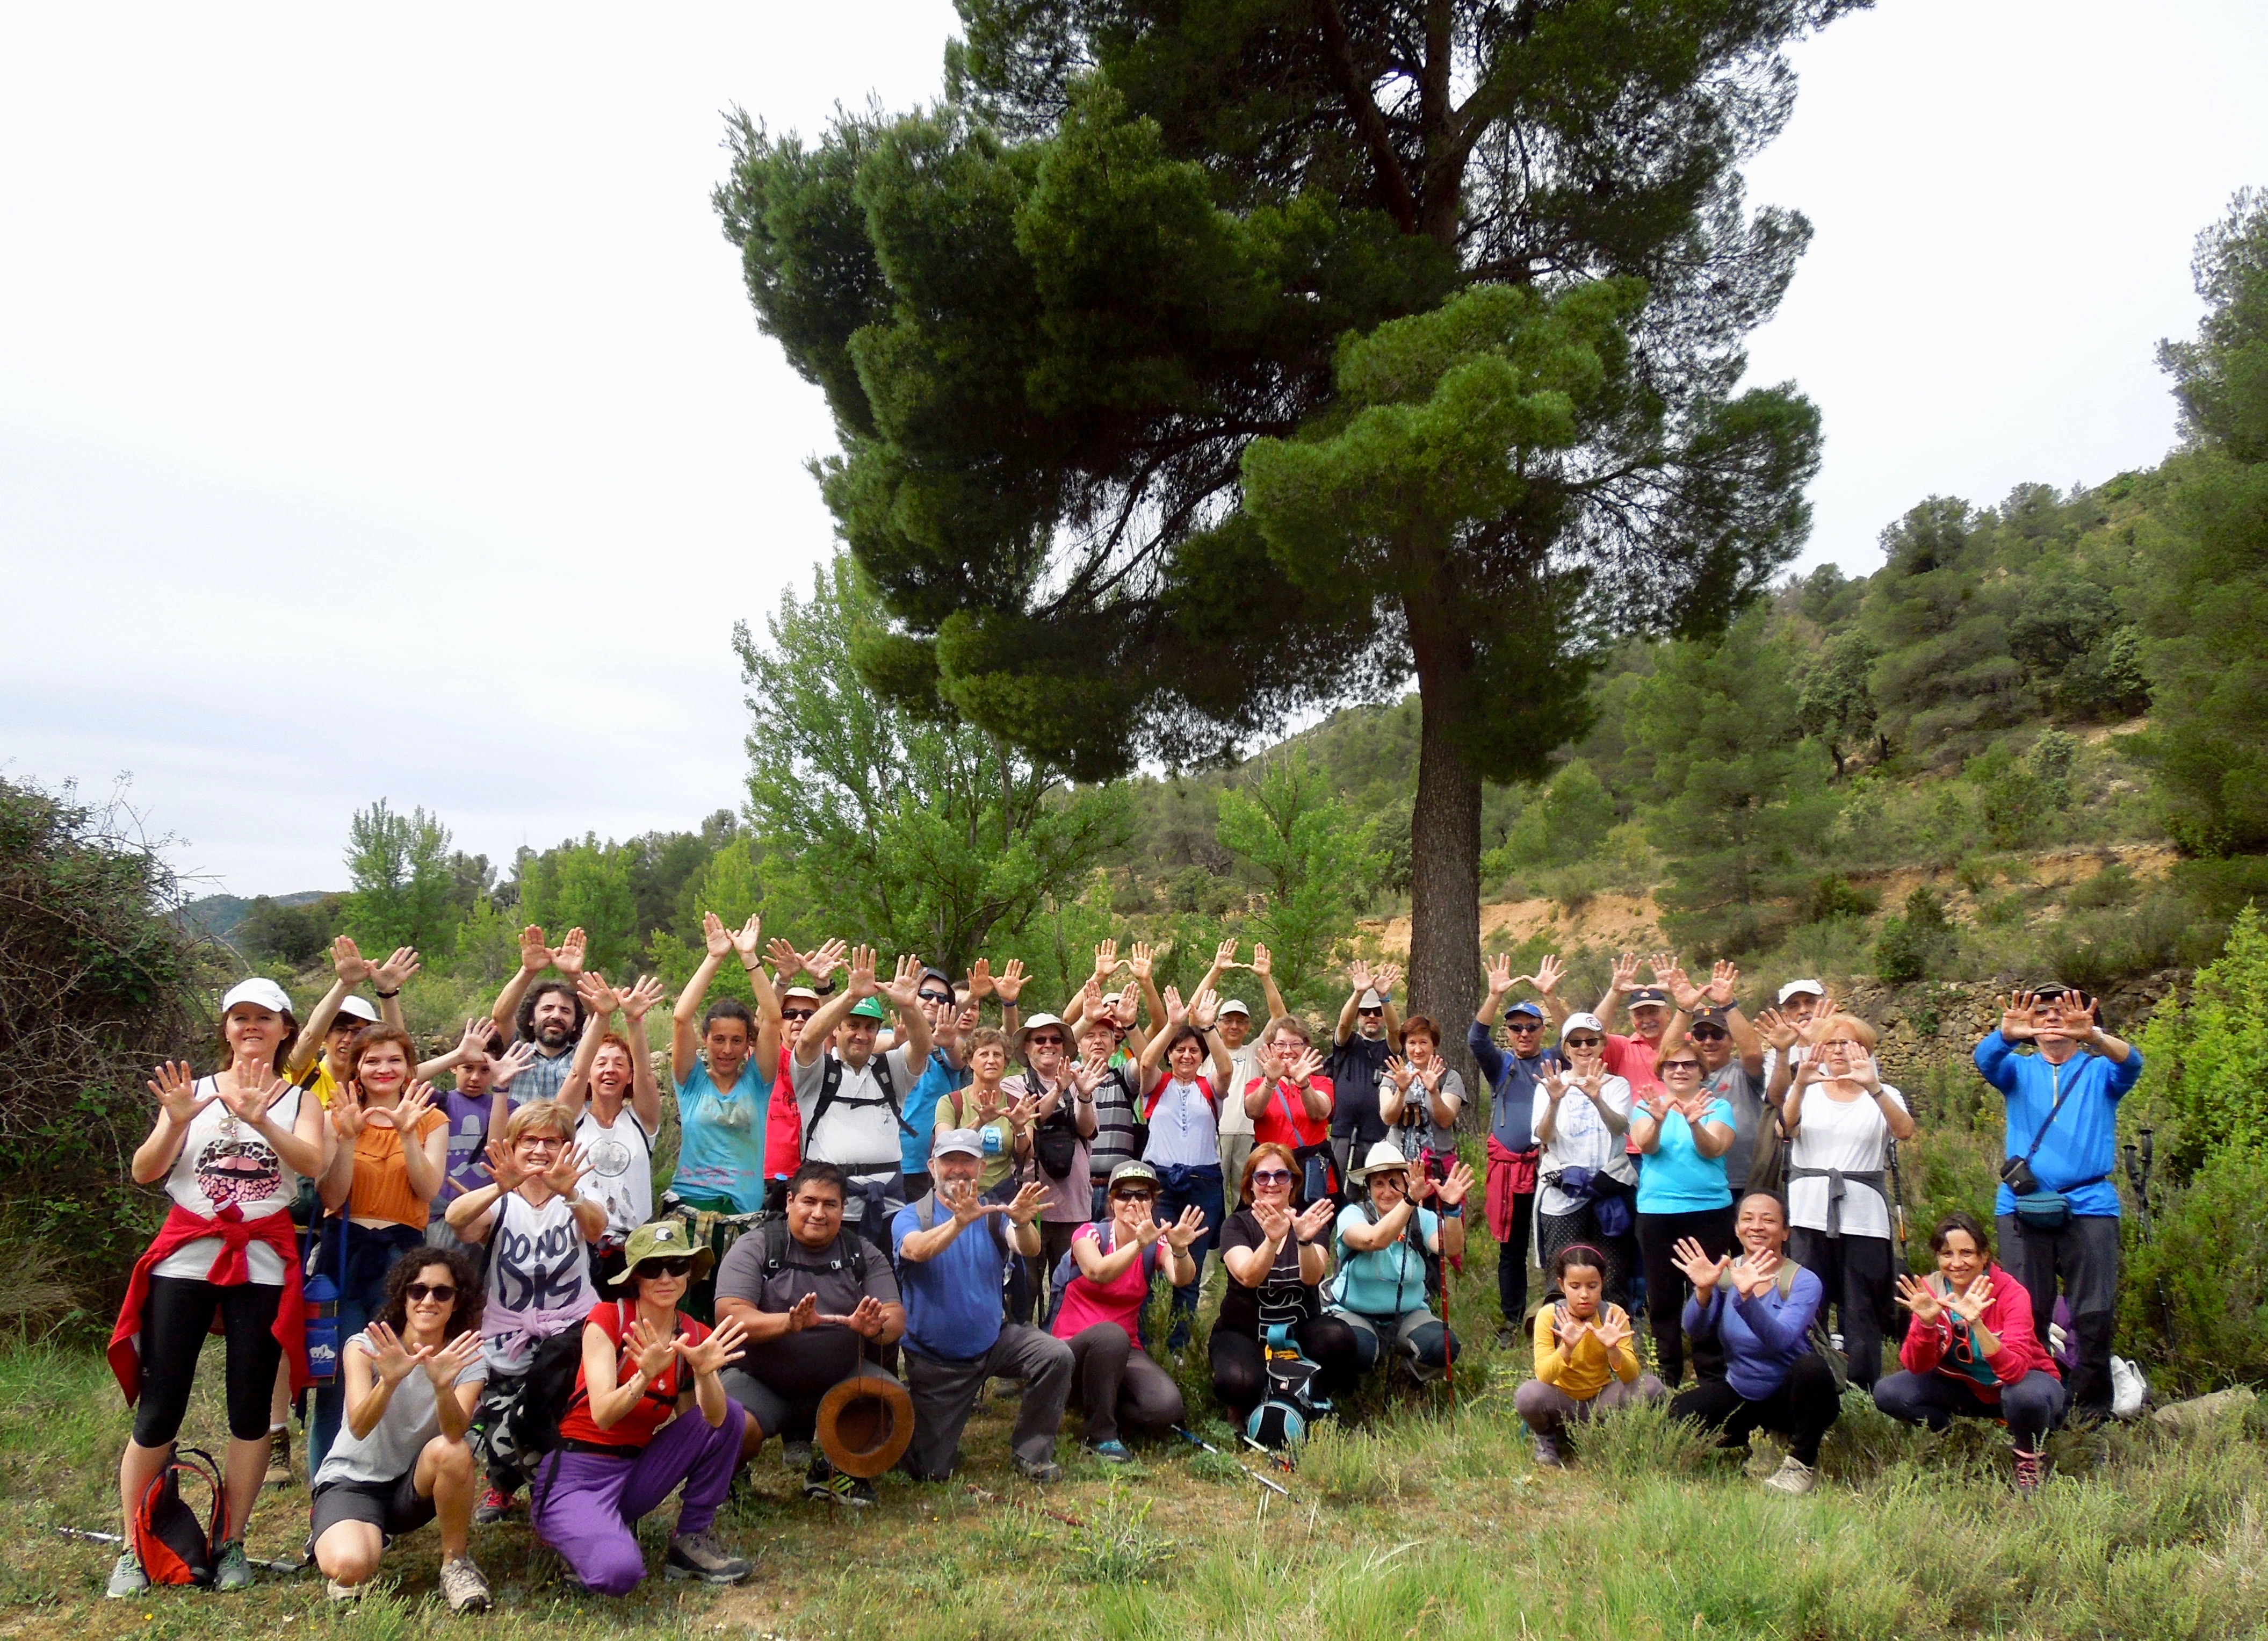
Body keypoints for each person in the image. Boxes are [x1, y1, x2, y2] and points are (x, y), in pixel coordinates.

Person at [107, 978, 329, 1597]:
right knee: (159, 1408)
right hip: (187, 1259)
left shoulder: (300, 1099)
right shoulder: (193, 1093)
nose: (251, 1027)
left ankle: (232, 1541)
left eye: (264, 1017)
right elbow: (146, 1171)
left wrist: (264, 1121)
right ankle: (133, 1547)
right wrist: (175, 1122)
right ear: (225, 1029)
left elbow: (314, 1166)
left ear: (286, 1028)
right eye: (239, 1018)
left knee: (251, 1409)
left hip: (259, 1262)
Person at [532, 1220, 755, 1591]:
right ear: (636, 1278)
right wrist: (643, 1377)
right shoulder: (608, 1319)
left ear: (688, 1274)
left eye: (676, 1266)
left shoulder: (693, 1335)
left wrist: (704, 1374)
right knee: (618, 1574)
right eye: (652, 1269)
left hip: (634, 1472)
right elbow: (602, 1414)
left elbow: (711, 1423)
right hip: (577, 1474)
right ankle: (573, 1533)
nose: (665, 1278)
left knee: (731, 1411)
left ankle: (692, 1539)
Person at [1975, 986, 2141, 1422]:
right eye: (2042, 1012)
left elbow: (2133, 1063)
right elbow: (1985, 1061)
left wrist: (2097, 1038)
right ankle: (2036, 1404)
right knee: (2025, 1311)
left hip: (2090, 1204)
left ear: (2085, 1018)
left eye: (2062, 1012)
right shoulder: (2016, 1070)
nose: (2051, 1019)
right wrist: (2008, 1034)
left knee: (2093, 1312)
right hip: (2022, 1203)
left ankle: (2090, 1414)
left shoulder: (2101, 1071)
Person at [444, 1100, 603, 1525]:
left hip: (572, 1330)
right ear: (512, 1147)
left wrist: (570, 1192)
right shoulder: (501, 1202)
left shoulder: (577, 1191)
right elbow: (458, 1220)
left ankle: (563, 1489)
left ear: (567, 1147)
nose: (539, 1150)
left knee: (561, 1416)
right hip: (508, 1333)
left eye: (551, 1141)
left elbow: (597, 1228)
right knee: (504, 1422)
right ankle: (502, 1485)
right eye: (529, 1140)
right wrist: (500, 1187)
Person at [714, 1161, 906, 1506]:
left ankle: (831, 1472)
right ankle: (732, 1471)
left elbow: (894, 1317)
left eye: (830, 1204)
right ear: (789, 1201)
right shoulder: (756, 1247)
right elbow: (730, 1317)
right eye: (809, 1202)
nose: (818, 1213)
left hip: (841, 1379)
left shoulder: (862, 1252)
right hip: (763, 1380)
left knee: (894, 1407)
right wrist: (788, 1324)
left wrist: (876, 1328)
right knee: (732, 1427)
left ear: (843, 1208)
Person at [308, 1249, 490, 1610]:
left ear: (457, 1302)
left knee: (453, 1451)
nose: (428, 1300)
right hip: (353, 1481)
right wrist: (388, 1381)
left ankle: (456, 1565)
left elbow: (455, 1434)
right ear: (402, 1296)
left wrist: (442, 1387)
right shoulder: (365, 1348)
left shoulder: (465, 1359)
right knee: (351, 1567)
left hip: (413, 1485)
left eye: (442, 1292)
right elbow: (359, 1427)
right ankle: (334, 1528)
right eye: (417, 1290)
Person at [890, 1129, 1069, 1482]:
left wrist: (1020, 1220)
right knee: (930, 1472)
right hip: (937, 1360)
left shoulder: (992, 1214)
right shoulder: (911, 1216)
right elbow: (916, 1250)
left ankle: (1032, 1454)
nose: (958, 1169)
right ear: (932, 1167)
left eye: (967, 1161)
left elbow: (1028, 1248)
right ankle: (919, 1406)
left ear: (982, 1166)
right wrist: (959, 1221)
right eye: (949, 1161)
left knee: (1055, 1355)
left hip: (994, 1342)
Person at [309, 1025, 449, 1478]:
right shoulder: (338, 1116)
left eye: (394, 1060)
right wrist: (347, 1137)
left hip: (402, 1257)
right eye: (372, 1061)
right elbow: (331, 1197)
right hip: (344, 1252)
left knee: (396, 1372)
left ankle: (383, 1482)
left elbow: (428, 1189)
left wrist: (408, 1134)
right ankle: (326, 1488)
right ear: (357, 1068)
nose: (383, 1069)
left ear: (409, 1067)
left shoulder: (431, 1119)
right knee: (335, 1382)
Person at [1874, 1212, 2064, 1493]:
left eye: (1967, 1253)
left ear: (1985, 1256)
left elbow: (2014, 1372)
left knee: (2024, 1396)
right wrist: (1926, 1325)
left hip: (2023, 1386)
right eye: (1947, 1254)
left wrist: (1977, 1323)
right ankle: (1956, 1439)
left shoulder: (2012, 1293)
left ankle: (2028, 1462)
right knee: (1889, 1392)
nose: (1957, 1263)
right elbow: (1916, 1365)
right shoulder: (1931, 1289)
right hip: (1967, 1388)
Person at [1669, 1192, 1839, 1495]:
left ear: (1786, 1232)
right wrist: (1704, 1290)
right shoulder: (1725, 1273)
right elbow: (1693, 1329)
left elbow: (1782, 1340)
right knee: (1676, 1415)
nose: (1757, 1226)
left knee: (1811, 1368)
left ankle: (1800, 1462)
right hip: (1743, 1392)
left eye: (1769, 1220)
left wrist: (1747, 1299)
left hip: (1794, 1399)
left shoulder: (1803, 1281)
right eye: (1748, 1219)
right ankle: (1762, 1440)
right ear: (1736, 1229)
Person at [1780, 1014, 1913, 1389]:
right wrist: (1800, 1088)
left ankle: (1864, 1388)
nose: (1839, 1051)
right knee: (1809, 1304)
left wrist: (1873, 1088)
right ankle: (1815, 1383)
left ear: (1866, 1051)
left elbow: (1904, 1131)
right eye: (1832, 1043)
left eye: (1849, 1043)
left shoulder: (1883, 1093)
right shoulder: (1807, 1088)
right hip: (1808, 1215)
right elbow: (1784, 1130)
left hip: (1865, 1218)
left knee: (1862, 1308)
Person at [1047, 1161, 1198, 1460]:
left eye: (1142, 1196)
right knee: (1111, 1335)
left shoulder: (1158, 1243)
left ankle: (1099, 1402)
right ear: (1111, 1201)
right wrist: (1139, 1245)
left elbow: (1182, 1277)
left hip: (1125, 1352)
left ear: (1153, 1202)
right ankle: (1100, 1435)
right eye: (1125, 1195)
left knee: (1166, 1407)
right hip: (1070, 1351)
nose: (1133, 1203)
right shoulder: (1091, 1234)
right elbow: (1097, 1272)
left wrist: (1180, 1251)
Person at [1208, 1143, 1359, 1428]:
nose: (1272, 1183)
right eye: (1262, 1177)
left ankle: (1312, 1397)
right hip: (1244, 1332)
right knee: (1237, 1381)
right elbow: (1248, 1276)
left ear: (1294, 1183)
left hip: (1299, 1331)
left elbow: (1312, 1277)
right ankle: (1257, 1398)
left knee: (1341, 1340)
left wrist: (1303, 1241)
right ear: (1250, 1186)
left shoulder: (1310, 1222)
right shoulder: (1236, 1225)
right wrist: (1272, 1241)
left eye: (1282, 1175)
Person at [793, 947, 934, 1249]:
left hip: (888, 1207)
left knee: (884, 1289)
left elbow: (923, 1047)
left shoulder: (891, 1070)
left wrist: (910, 1007)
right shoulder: (816, 1072)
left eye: (870, 1027)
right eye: (853, 1025)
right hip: (828, 1208)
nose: (862, 1035)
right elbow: (807, 1039)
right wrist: (850, 996)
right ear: (838, 1028)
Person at [668, 916, 774, 1268]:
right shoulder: (691, 1081)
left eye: (737, 1041)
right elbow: (681, 1017)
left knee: (733, 1309)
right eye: (718, 1040)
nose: (727, 1049)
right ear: (706, 1041)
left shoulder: (758, 1083)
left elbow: (773, 1019)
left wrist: (749, 958)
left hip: (744, 1214)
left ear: (749, 1044)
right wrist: (713, 958)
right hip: (688, 1208)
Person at [1629, 1040, 1736, 1388]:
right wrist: (1659, 1119)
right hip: (1658, 1213)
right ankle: (1668, 1375)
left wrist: (1694, 1124)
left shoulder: (1718, 1107)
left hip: (1708, 1213)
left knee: (1710, 1293)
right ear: (1661, 1071)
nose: (1680, 1070)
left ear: (1702, 1071)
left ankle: (1712, 1374)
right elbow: (1646, 1145)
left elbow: (1714, 1148)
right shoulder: (1645, 1107)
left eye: (1689, 1065)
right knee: (1663, 1297)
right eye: (1672, 1065)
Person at [1136, 985, 1234, 1350]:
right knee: (1148, 1260)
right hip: (1158, 1183)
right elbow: (1146, 1062)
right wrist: (1173, 1025)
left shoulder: (1211, 1088)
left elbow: (1226, 1068)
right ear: (1171, 1054)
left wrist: (1208, 1029)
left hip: (1202, 1183)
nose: (1187, 1055)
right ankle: (1141, 1342)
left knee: (1189, 1267)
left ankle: (1178, 1347)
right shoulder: (1155, 1084)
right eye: (1180, 1049)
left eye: (1194, 1050)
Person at [1471, 954, 1562, 1343]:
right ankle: (1512, 1320)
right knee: (1511, 1250)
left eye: (1531, 1027)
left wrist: (1551, 996)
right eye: (1516, 1027)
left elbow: (1583, 1034)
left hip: (1548, 1170)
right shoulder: (1501, 1065)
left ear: (1543, 1030)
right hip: (1509, 1172)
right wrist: (1493, 995)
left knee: (1552, 1245)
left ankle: (1554, 1314)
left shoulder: (1556, 1061)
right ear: (1507, 1031)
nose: (1524, 1033)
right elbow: (1476, 1038)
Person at [1326, 1141, 1471, 1383]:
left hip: (1409, 1312)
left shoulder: (1421, 1219)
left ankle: (1409, 1379)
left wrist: (1452, 1210)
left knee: (1442, 1346)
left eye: (1395, 1183)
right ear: (1368, 1188)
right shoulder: (1352, 1215)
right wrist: (1410, 1202)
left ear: (1406, 1184)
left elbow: (1451, 1248)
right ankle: (1356, 1385)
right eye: (1379, 1184)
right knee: (1354, 1349)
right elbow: (1375, 1240)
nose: (1388, 1192)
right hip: (1354, 1312)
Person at [557, 975, 667, 1287]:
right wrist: (601, 1017)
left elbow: (646, 1076)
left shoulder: (641, 1120)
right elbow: (576, 1073)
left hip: (635, 1248)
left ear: (628, 1076)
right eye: (601, 1063)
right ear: (591, 1073)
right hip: (580, 1241)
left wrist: (635, 1021)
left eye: (619, 1064)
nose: (609, 1070)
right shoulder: (571, 1120)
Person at [1513, 1244, 1664, 1467]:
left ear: (1602, 1283)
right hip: (1562, 1402)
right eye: (1575, 1286)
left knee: (1651, 1387)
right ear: (1562, 1285)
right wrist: (1567, 1347)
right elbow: (1543, 1376)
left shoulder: (1613, 1314)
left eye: (1592, 1286)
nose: (1584, 1294)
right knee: (1528, 1395)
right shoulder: (1548, 1315)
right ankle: (1547, 1438)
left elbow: (1632, 1377)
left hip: (1601, 1401)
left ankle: (1621, 1437)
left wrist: (1613, 1349)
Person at [1532, 1013, 1637, 1306]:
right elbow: (1543, 1135)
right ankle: (1560, 1339)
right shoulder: (1550, 1086)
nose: (1583, 1048)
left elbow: (1620, 1127)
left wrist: (1597, 1098)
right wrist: (1554, 1101)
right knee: (1563, 1270)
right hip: (1564, 1192)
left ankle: (1613, 1337)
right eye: (1575, 1042)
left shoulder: (1617, 1086)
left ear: (1602, 1045)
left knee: (1611, 1273)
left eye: (1591, 1041)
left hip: (1608, 1189)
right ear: (1566, 1049)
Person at [1001, 1006, 1095, 1312]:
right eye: (1039, 1039)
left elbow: (1087, 1128)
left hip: (1075, 1205)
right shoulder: (1013, 1085)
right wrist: (1059, 1088)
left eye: (1056, 1039)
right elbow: (1034, 1119)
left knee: (1070, 1290)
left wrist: (1083, 1095)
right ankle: (1024, 1353)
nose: (1048, 1045)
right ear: (1027, 1049)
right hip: (1032, 1205)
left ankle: (1066, 1352)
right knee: (1025, 1290)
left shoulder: (1079, 1079)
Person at [427, 1021, 536, 1266]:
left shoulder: (506, 1106)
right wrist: (455, 1054)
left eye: (485, 1070)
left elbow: (497, 1147)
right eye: (468, 1068)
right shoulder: (437, 1101)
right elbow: (406, 1079)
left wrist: (501, 1087)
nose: (475, 1077)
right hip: (439, 1216)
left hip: (486, 1213)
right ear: (454, 1067)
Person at [1659, 960, 1771, 1194]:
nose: (1708, 1041)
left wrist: (1728, 1005)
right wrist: (1684, 1009)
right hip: (1696, 1179)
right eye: (1700, 1034)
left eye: (1718, 1034)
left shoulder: (1743, 1072)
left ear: (1731, 1040)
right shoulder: (1686, 1075)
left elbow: (1752, 1053)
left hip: (1744, 1177)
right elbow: (1665, 1056)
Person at [488, 925, 593, 1103]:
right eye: (547, 1008)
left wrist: (574, 974)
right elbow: (501, 1016)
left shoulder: (585, 1056)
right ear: (531, 1019)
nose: (556, 1016)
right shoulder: (514, 1054)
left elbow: (599, 1013)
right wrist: (527, 971)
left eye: (565, 1011)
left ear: (576, 1023)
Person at [1326, 960, 1403, 1182]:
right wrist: (1359, 993)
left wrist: (1385, 998)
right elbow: (1343, 1024)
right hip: (1343, 1133)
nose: (1371, 1016)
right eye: (1365, 1012)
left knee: (1380, 1194)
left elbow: (1396, 1030)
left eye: (1377, 1012)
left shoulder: (1391, 1047)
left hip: (1382, 1136)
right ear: (1358, 1016)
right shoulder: (1346, 1043)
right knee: (1339, 1192)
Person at [1244, 1016, 1335, 1200]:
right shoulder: (1257, 1084)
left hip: (1311, 1172)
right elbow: (1253, 1111)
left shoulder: (1321, 1083)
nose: (1288, 1051)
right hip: (1270, 1173)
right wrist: (1270, 1082)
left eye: (1295, 1044)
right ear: (1271, 1048)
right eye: (1281, 1045)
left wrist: (1304, 1084)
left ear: (1305, 1047)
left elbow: (1320, 1113)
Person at [1382, 1016, 1465, 1183]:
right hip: (1398, 1165)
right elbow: (1387, 1118)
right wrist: (1401, 1090)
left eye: (1424, 1042)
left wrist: (1433, 1091)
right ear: (1405, 1046)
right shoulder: (1393, 1076)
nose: (1418, 1050)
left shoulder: (1449, 1077)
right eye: (1412, 1043)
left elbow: (1446, 1120)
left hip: (1438, 1165)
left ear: (1434, 1044)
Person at [1591, 951, 1678, 1103]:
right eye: (1639, 1015)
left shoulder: (1685, 1042)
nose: (1647, 1020)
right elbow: (1593, 1031)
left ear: (1668, 1013)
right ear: (1631, 1020)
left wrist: (1680, 992)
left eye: (1653, 1012)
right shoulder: (1622, 1048)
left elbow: (1710, 1020)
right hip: (1636, 1124)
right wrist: (1615, 992)